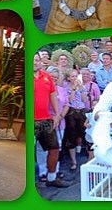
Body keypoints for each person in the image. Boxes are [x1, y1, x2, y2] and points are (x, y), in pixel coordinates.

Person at [33, 53, 68, 188]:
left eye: (37, 60)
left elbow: (52, 94)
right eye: (32, 60)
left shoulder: (46, 76)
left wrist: (57, 114)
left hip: (46, 119)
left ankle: (51, 178)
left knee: (54, 148)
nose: (34, 62)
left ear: (40, 62)